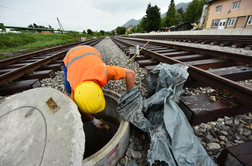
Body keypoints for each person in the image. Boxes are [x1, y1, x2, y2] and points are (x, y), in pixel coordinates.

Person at [63, 45, 135, 129]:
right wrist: (94, 120)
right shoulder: (73, 88)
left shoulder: (104, 71)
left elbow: (130, 73)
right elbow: (78, 107)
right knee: (67, 89)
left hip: (92, 51)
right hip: (70, 56)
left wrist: (130, 101)